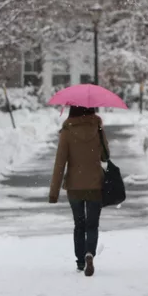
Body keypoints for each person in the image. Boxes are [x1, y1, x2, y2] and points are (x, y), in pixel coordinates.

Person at [49, 106, 109, 277]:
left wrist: (54, 192)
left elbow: (60, 163)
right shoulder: (96, 128)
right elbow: (105, 156)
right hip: (95, 184)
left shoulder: (67, 131)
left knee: (79, 224)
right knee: (92, 224)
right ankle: (90, 253)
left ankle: (81, 261)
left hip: (74, 186)